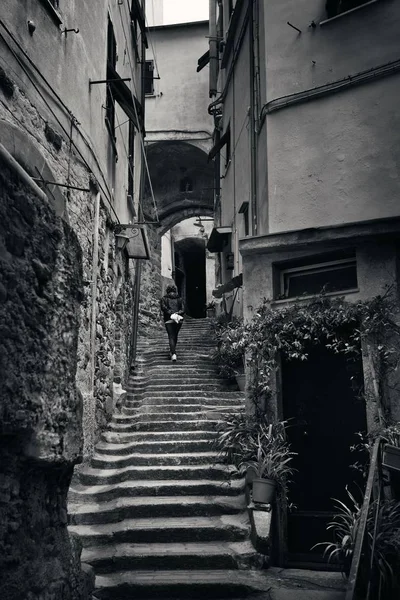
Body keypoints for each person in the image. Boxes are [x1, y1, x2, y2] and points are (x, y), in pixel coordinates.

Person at [160, 284, 185, 361]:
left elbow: (163, 308)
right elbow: (183, 309)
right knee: (175, 335)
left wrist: (170, 312)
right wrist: (177, 313)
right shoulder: (180, 299)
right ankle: (172, 351)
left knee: (171, 336)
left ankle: (173, 353)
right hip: (178, 319)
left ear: (167, 290)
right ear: (175, 290)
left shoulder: (164, 298)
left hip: (168, 319)